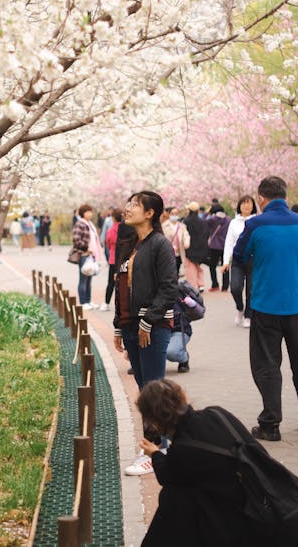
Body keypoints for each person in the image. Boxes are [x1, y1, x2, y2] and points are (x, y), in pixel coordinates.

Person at [136, 379, 298, 547]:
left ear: (155, 422)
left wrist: (155, 454)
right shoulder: (217, 413)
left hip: (250, 524)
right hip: (275, 507)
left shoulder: (181, 450)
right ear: (183, 396)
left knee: (175, 496)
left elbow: (166, 475)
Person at [112, 191, 178, 475]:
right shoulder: (129, 244)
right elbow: (120, 286)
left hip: (150, 328)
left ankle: (155, 450)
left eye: (135, 205)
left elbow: (168, 287)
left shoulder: (160, 245)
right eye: (128, 204)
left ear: (150, 213)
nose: (127, 209)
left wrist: (148, 322)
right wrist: (118, 325)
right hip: (130, 327)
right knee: (144, 388)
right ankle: (160, 444)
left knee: (152, 390)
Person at [233, 175, 298, 441]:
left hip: (266, 306)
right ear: (285, 196)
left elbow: (239, 256)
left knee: (267, 365)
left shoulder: (255, 225)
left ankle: (270, 424)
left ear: (261, 198)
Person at [222, 195, 257, 328]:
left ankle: (248, 316)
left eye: (249, 203)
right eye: (244, 203)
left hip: (253, 259)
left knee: (251, 289)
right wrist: (226, 261)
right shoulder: (233, 222)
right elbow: (229, 243)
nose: (246, 206)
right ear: (239, 206)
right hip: (238, 260)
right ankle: (240, 308)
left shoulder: (257, 221)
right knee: (235, 288)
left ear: (253, 205)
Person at [71, 203, 102, 310]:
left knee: (89, 279)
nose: (90, 214)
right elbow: (76, 240)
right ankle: (83, 302)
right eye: (88, 211)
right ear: (83, 213)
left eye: (91, 211)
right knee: (83, 279)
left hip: (91, 255)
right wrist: (86, 248)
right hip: (84, 254)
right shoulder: (80, 224)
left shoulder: (89, 224)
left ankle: (88, 301)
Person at [100, 208, 122, 311]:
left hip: (113, 259)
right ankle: (121, 305)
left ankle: (106, 303)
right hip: (124, 260)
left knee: (111, 283)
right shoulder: (126, 230)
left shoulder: (111, 231)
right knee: (122, 283)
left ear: (113, 218)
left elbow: (108, 244)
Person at [183, 201, 208, 292]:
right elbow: (206, 234)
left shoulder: (186, 221)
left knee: (190, 268)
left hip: (189, 248)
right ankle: (201, 284)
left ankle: (193, 285)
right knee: (198, 267)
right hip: (201, 248)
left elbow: (184, 235)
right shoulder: (202, 221)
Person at [206, 203, 231, 292]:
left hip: (214, 246)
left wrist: (207, 212)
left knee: (212, 266)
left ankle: (215, 284)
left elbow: (203, 222)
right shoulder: (228, 219)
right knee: (226, 265)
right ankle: (225, 286)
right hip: (225, 245)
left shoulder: (212, 219)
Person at [162, 207, 190, 277]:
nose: (174, 215)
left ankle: (175, 285)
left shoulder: (182, 226)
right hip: (168, 252)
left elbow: (186, 235)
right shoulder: (164, 226)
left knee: (176, 270)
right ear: (169, 214)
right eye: (172, 214)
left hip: (179, 252)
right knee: (168, 271)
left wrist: (186, 242)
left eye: (176, 214)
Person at [166, 300, 192, 373]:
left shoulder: (173, 293)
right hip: (151, 330)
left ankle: (184, 357)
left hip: (178, 330)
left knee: (170, 352)